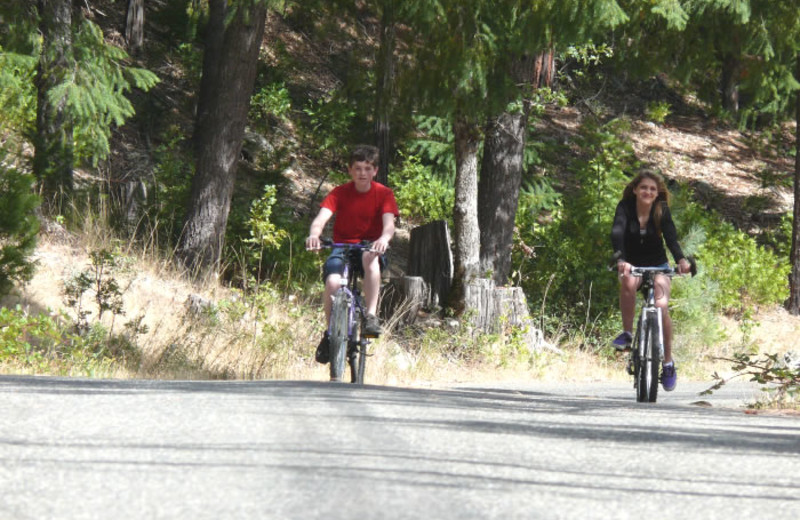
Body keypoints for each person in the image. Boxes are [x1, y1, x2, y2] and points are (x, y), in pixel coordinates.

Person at [305, 144, 399, 364]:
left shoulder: (384, 194)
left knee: (369, 257)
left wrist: (383, 240)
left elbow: (389, 225)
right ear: (350, 170)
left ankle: (371, 316)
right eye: (358, 168)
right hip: (342, 246)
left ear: (375, 171)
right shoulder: (339, 192)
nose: (362, 173)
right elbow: (320, 219)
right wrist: (314, 235)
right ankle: (330, 334)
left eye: (367, 168)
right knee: (333, 282)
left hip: (371, 247)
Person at [610, 170, 690, 391]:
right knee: (627, 280)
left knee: (661, 306)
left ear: (658, 194)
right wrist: (621, 259)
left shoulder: (660, 210)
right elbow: (617, 233)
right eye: (644, 187)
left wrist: (681, 260)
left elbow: (671, 237)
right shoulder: (625, 207)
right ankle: (627, 334)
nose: (648, 191)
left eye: (653, 189)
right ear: (635, 189)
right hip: (632, 264)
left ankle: (668, 363)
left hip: (658, 265)